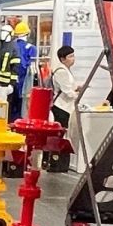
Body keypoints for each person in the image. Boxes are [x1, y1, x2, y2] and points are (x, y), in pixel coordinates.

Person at [50, 43, 80, 171]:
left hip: (66, 107)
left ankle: (61, 164)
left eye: (73, 55)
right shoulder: (61, 72)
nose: (73, 59)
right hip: (61, 107)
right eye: (70, 56)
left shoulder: (66, 71)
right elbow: (67, 92)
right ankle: (56, 164)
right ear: (63, 59)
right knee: (60, 136)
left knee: (63, 135)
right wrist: (77, 94)